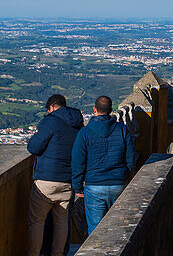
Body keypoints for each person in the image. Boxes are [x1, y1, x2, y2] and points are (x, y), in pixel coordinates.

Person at [26, 94, 84, 256]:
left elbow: (34, 147)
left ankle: (34, 254)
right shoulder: (77, 123)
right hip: (67, 180)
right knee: (61, 222)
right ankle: (58, 254)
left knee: (37, 222)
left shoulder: (49, 121)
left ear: (51, 107)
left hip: (46, 180)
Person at [70, 95, 135, 237]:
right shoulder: (122, 130)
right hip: (118, 183)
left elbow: (77, 162)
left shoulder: (84, 133)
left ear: (94, 109)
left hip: (94, 186)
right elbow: (130, 157)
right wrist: (125, 175)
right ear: (111, 110)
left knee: (95, 230)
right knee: (118, 227)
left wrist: (77, 186)